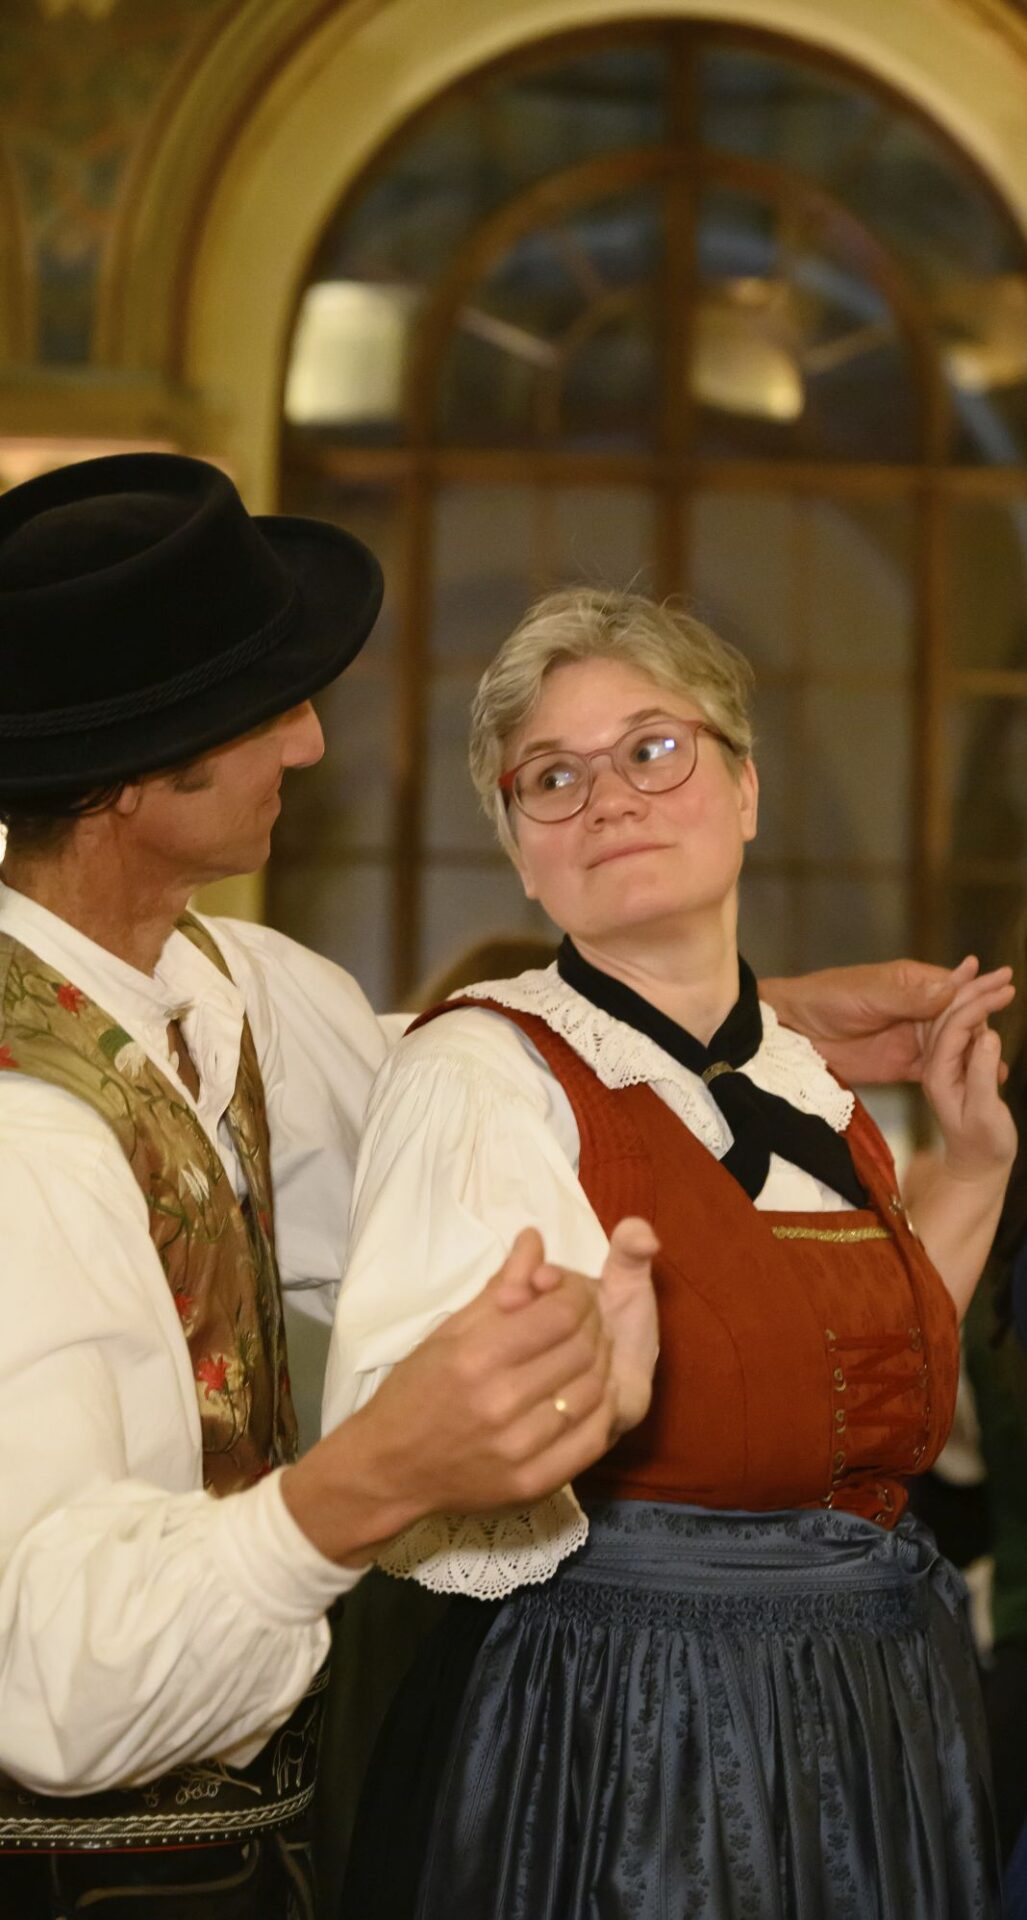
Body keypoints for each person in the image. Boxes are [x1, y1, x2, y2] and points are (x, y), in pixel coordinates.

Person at [0, 458, 655, 1920]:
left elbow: (448, 1083)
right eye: (263, 710)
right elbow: (41, 1677)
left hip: (258, 1849)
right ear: (127, 781)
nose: (307, 740)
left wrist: (761, 1021)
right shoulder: (22, 1135)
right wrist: (376, 1479)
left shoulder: (219, 980)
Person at [326, 587, 1016, 1919]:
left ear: (746, 789)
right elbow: (402, 1450)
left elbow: (850, 1387)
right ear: (522, 854)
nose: (609, 801)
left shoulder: (810, 1085)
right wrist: (569, 1398)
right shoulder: (484, 1074)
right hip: (622, 1728)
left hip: (870, 1710)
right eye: (552, 778)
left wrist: (977, 1170)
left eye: (653, 749)